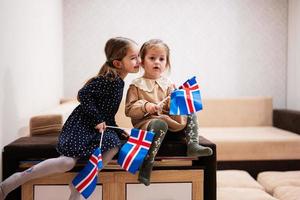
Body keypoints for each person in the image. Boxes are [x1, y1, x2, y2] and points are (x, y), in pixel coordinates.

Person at [0, 37, 140, 200]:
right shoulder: (107, 80)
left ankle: (79, 185)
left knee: (114, 144)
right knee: (67, 163)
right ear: (118, 63)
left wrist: (118, 130)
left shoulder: (119, 83)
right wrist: (96, 119)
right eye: (133, 57)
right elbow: (83, 94)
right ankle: (17, 178)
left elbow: (107, 114)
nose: (139, 60)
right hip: (82, 124)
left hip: (97, 127)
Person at [125, 39, 213, 186]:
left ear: (166, 63)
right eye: (152, 58)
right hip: (148, 123)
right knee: (159, 123)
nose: (157, 62)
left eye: (161, 59)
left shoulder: (168, 84)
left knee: (187, 108)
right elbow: (129, 109)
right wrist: (147, 106)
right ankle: (148, 162)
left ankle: (193, 145)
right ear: (142, 61)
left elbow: (172, 108)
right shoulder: (136, 86)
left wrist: (176, 100)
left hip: (169, 122)